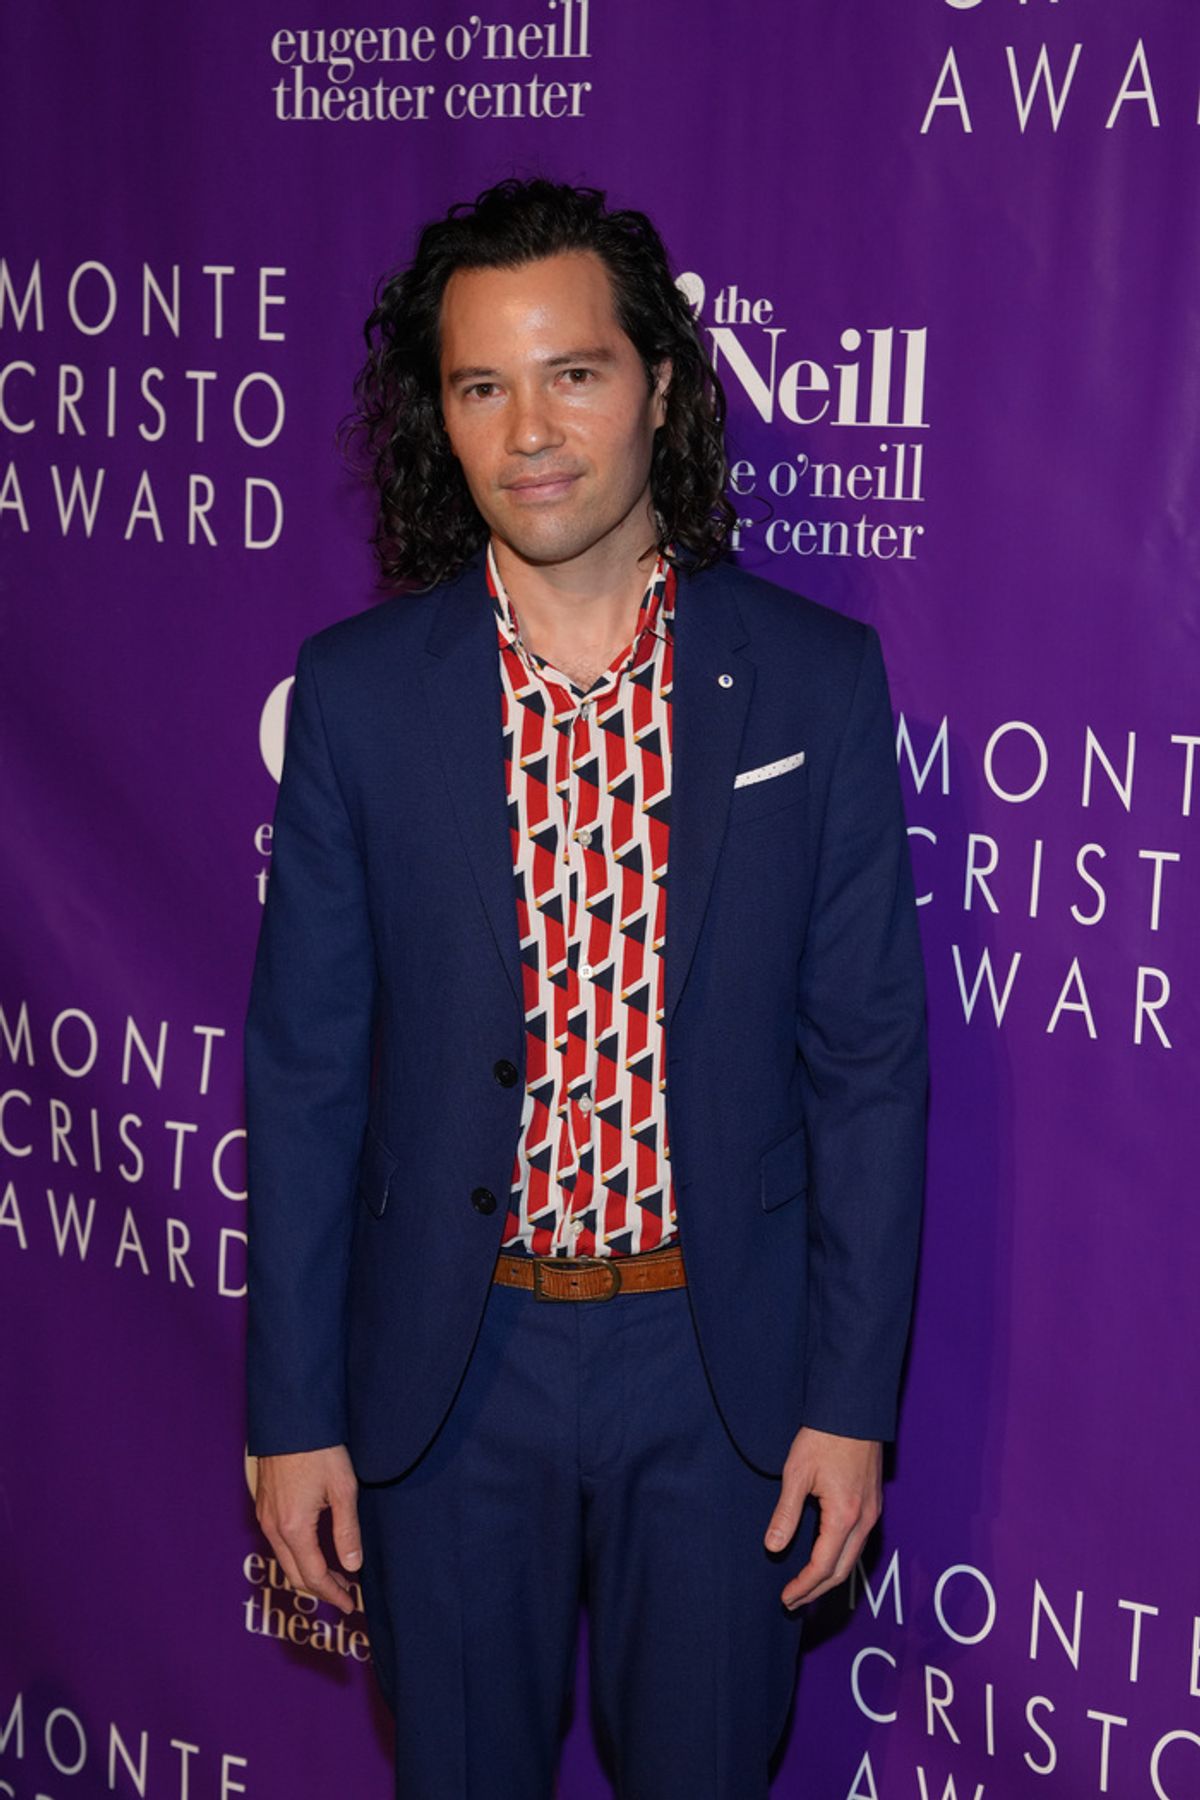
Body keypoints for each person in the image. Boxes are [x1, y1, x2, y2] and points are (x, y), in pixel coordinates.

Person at [245, 177, 927, 1798]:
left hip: (719, 1377)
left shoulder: (816, 682)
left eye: (575, 372)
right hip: (445, 1376)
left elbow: (870, 1063)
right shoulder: (356, 699)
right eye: (482, 385)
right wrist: (291, 1410)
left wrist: (850, 1400)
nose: (530, 428)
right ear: (444, 416)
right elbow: (306, 1072)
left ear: (663, 387)